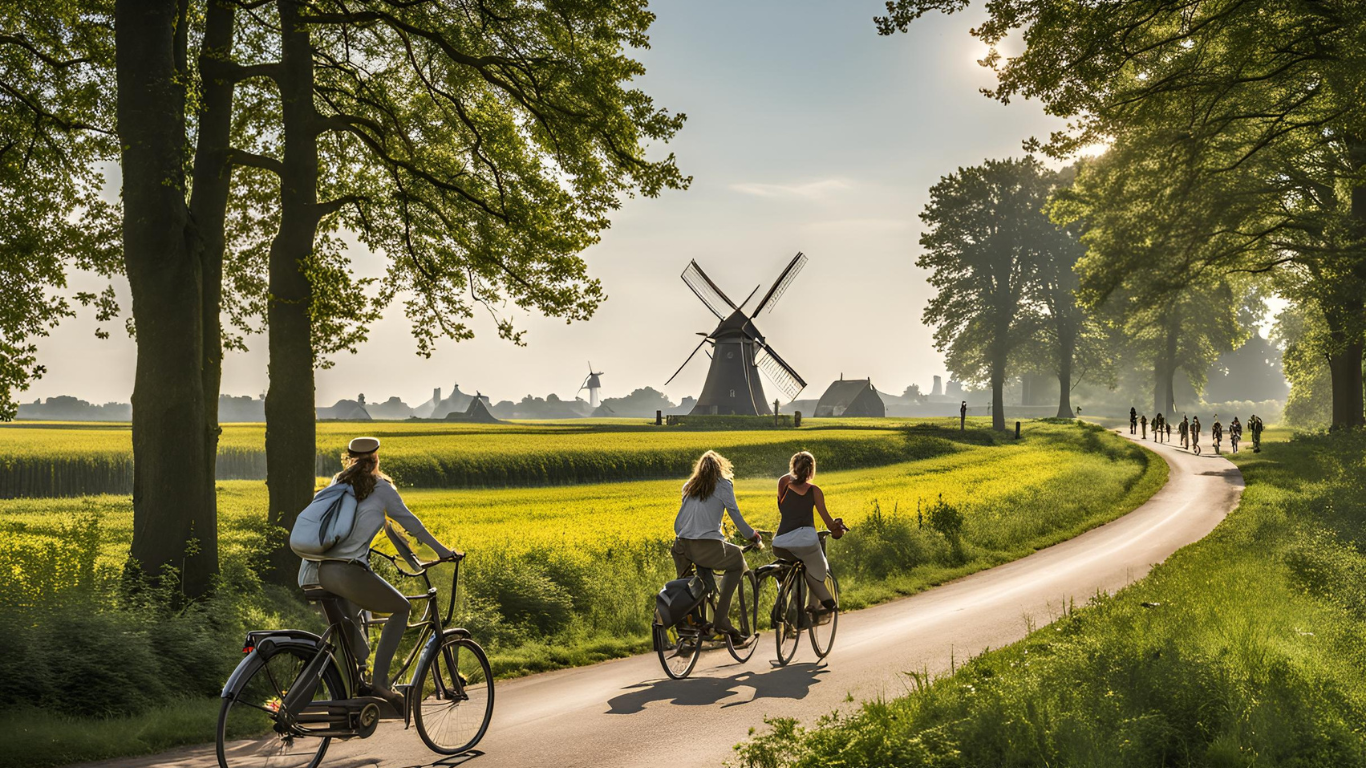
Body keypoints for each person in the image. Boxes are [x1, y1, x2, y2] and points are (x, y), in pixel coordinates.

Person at [314, 437, 458, 711]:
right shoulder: (382, 489)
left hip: (322, 571)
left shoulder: (337, 484)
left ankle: (354, 694)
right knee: (401, 608)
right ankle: (381, 683)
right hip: (347, 573)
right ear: (377, 458)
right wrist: (442, 552)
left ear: (349, 459)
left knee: (351, 627)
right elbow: (412, 524)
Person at [672, 450, 761, 643]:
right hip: (706, 546)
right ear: (721, 467)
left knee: (691, 584)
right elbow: (735, 515)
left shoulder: (688, 486)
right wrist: (752, 535)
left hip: (681, 545)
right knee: (736, 559)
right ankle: (721, 620)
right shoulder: (723, 485)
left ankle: (695, 624)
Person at [773, 451, 847, 621]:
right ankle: (828, 604)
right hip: (807, 542)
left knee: (794, 562)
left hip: (780, 543)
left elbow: (783, 506)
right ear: (811, 470)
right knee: (816, 571)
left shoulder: (783, 482)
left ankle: (784, 598)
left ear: (793, 467)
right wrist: (838, 528)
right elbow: (830, 524)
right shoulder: (815, 491)